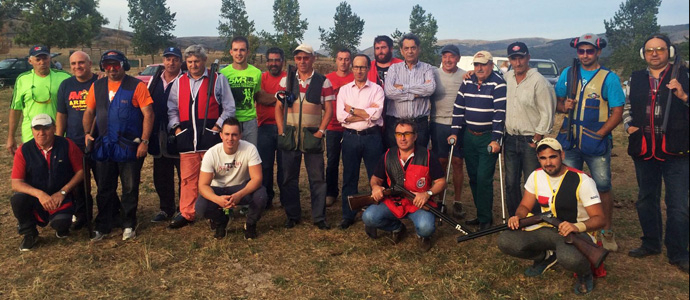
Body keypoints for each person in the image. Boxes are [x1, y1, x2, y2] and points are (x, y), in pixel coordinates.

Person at [497, 138, 605, 295]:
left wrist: (576, 227)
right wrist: (517, 217)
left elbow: (600, 219)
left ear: (562, 155)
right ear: (538, 159)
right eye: (543, 158)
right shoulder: (536, 175)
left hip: (576, 233)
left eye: (552, 157)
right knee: (505, 240)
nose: (548, 162)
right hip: (546, 228)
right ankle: (544, 256)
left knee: (569, 259)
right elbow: (524, 206)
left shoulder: (582, 180)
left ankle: (584, 273)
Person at [624, 34, 689, 273]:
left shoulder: (684, 74)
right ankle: (651, 243)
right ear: (644, 54)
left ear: (668, 52)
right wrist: (629, 126)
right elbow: (628, 107)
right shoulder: (637, 77)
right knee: (646, 200)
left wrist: (683, 95)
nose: (654, 53)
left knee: (678, 204)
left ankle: (679, 252)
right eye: (650, 50)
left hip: (677, 150)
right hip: (645, 148)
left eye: (660, 49)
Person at [555, 33, 625, 252]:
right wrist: (562, 106)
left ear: (598, 52)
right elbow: (557, 102)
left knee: (602, 186)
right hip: (570, 140)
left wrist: (601, 134)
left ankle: (606, 229)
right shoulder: (568, 73)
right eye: (581, 51)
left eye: (590, 51)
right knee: (569, 185)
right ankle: (572, 226)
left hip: (596, 142)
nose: (585, 55)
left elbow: (617, 112)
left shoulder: (609, 78)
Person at [82, 50, 154, 241]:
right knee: (105, 187)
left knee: (129, 187)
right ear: (102, 67)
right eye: (107, 65)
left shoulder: (137, 86)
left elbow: (148, 114)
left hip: (129, 146)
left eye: (116, 65)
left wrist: (144, 141)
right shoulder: (97, 86)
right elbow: (89, 112)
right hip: (104, 145)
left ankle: (129, 223)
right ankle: (103, 225)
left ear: (124, 65)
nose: (112, 69)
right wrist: (88, 134)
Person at [166, 44, 236, 229]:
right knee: (187, 178)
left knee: (214, 177)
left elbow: (229, 107)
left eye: (197, 61)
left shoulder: (218, 79)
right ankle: (187, 212)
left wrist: (216, 128)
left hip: (210, 139)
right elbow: (171, 109)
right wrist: (177, 130)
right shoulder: (179, 82)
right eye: (189, 62)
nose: (193, 65)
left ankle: (216, 211)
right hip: (187, 138)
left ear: (204, 61)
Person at [361, 118, 446, 252]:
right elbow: (375, 178)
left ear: (415, 136)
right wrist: (375, 187)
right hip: (394, 202)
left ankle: (422, 236)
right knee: (369, 217)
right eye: (399, 134)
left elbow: (441, 182)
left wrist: (427, 194)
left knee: (426, 228)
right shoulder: (388, 155)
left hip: (418, 204)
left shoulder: (428, 155)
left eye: (407, 134)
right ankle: (397, 228)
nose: (403, 138)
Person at [275, 44, 334, 230]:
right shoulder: (286, 81)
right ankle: (292, 215)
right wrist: (280, 129)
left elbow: (329, 110)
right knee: (288, 178)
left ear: (313, 58)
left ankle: (319, 217)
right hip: (290, 135)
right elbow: (278, 107)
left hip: (312, 136)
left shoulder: (323, 82)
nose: (302, 61)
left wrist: (320, 132)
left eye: (306, 58)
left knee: (317, 178)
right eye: (299, 58)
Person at [448, 50, 506, 230]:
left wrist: (496, 138)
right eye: (476, 65)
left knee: (483, 178)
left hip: (488, 137)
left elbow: (499, 114)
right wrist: (454, 132)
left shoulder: (498, 83)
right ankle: (481, 215)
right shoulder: (467, 81)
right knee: (473, 177)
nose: (479, 68)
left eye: (483, 64)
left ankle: (486, 218)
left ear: (491, 64)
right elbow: (458, 108)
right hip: (469, 135)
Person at [10, 114, 84, 251]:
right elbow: (16, 183)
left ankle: (62, 225)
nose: (41, 133)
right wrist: (39, 194)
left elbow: (81, 171)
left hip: (61, 197)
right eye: (37, 128)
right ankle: (29, 233)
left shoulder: (67, 144)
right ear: (32, 130)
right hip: (37, 198)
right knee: (17, 199)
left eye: (46, 128)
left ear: (54, 128)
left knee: (61, 225)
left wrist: (63, 192)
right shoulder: (24, 150)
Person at [503, 42, 556, 216]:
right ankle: (515, 218)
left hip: (530, 139)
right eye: (513, 58)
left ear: (528, 58)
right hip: (510, 138)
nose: (517, 63)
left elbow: (547, 112)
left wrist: (536, 138)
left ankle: (533, 220)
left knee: (531, 182)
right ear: (509, 59)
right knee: (511, 182)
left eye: (521, 58)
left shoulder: (539, 81)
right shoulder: (507, 78)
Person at [196, 117, 267, 239]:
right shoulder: (211, 153)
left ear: (240, 135)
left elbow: (257, 179)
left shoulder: (250, 149)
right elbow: (202, 185)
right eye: (227, 134)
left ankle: (250, 224)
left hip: (241, 188)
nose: (230, 138)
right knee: (200, 206)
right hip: (218, 189)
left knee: (261, 195)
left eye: (234, 135)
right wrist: (217, 200)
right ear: (221, 135)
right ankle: (221, 221)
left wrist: (239, 195)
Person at [336, 53, 385, 229]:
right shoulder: (345, 90)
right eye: (356, 67)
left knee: (376, 176)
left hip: (372, 137)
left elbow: (377, 114)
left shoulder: (377, 90)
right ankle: (348, 215)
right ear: (352, 68)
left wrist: (352, 110)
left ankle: (378, 213)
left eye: (363, 67)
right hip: (350, 138)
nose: (359, 70)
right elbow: (341, 117)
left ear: (368, 68)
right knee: (349, 177)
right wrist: (365, 112)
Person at [55, 51, 99, 230]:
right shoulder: (66, 85)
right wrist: (59, 139)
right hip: (73, 142)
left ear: (89, 64)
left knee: (104, 179)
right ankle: (82, 215)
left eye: (81, 63)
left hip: (98, 140)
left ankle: (111, 212)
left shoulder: (100, 81)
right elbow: (61, 114)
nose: (77, 67)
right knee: (79, 184)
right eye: (73, 64)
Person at [7, 45, 71, 155]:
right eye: (38, 59)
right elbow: (15, 110)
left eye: (45, 58)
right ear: (30, 61)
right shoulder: (23, 79)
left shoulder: (64, 77)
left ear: (50, 58)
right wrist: (11, 137)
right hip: (31, 136)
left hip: (58, 134)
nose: (42, 62)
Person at [430, 44, 466, 220]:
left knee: (458, 162)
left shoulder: (465, 75)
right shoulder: (433, 74)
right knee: (441, 162)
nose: (448, 60)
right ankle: (438, 200)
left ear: (458, 58)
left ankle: (457, 201)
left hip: (458, 125)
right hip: (437, 123)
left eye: (452, 56)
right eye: (445, 56)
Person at [148, 47, 183, 223]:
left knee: (184, 174)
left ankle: (183, 209)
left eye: (175, 59)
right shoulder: (154, 80)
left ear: (180, 61)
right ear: (163, 61)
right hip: (158, 132)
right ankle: (165, 208)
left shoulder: (185, 80)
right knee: (161, 173)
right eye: (168, 59)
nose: (171, 62)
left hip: (179, 132)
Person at [384, 34, 436, 149]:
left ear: (418, 49)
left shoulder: (427, 68)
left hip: (419, 124)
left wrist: (403, 87)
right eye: (406, 48)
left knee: (419, 159)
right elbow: (389, 92)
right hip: (396, 123)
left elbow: (430, 89)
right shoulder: (394, 69)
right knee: (396, 161)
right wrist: (415, 94)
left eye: (413, 48)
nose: (410, 51)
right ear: (401, 51)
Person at [256, 47, 286, 209]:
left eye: (277, 60)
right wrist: (280, 98)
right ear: (266, 62)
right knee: (265, 166)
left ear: (283, 61)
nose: (274, 63)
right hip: (265, 127)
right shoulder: (260, 78)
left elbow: (292, 100)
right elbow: (259, 96)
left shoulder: (289, 78)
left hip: (284, 127)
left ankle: (285, 199)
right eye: (271, 60)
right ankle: (266, 199)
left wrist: (271, 98)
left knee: (284, 166)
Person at [324, 48, 354, 207]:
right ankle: (331, 192)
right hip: (333, 126)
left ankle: (348, 193)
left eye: (347, 59)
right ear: (335, 60)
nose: (343, 62)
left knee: (349, 162)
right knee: (332, 161)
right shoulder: (327, 79)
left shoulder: (354, 78)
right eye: (340, 58)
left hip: (350, 126)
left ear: (351, 61)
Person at [219, 36, 261, 146]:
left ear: (248, 52)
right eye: (236, 50)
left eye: (242, 50)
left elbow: (256, 95)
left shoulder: (256, 73)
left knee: (250, 155)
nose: (239, 53)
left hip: (250, 121)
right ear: (231, 52)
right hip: (229, 121)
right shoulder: (223, 73)